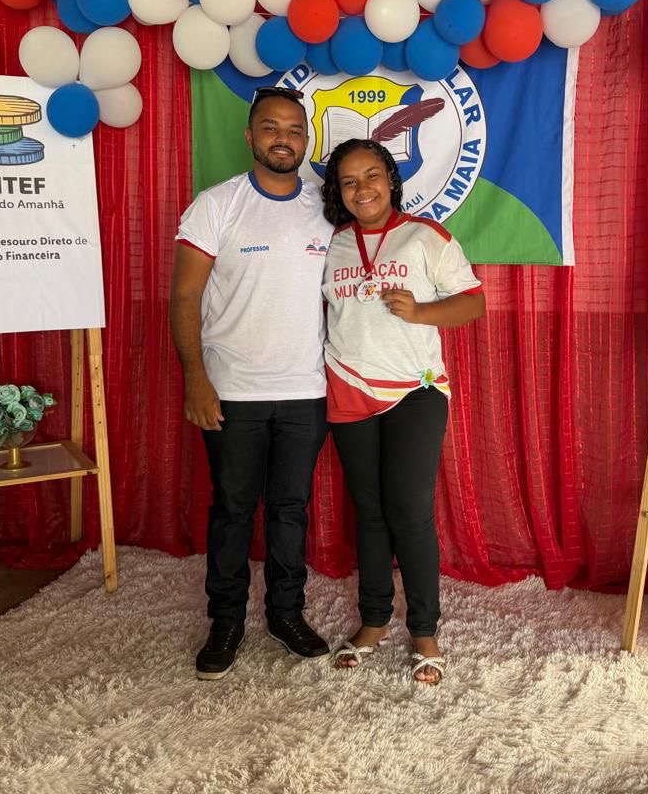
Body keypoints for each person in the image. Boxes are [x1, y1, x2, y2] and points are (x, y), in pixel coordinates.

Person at [170, 86, 335, 680]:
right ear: (250, 136)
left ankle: (287, 615)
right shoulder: (217, 205)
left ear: (306, 139)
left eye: (294, 129)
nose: (283, 138)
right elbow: (185, 296)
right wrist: (196, 379)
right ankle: (226, 621)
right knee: (234, 510)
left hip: (305, 390)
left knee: (290, 509)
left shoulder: (326, 207)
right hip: (232, 390)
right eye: (270, 127)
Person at [319, 138, 485, 684]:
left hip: (416, 389)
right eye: (348, 181)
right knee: (369, 513)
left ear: (390, 179)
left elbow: (474, 303)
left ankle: (424, 629)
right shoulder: (331, 243)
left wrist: (421, 311)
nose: (362, 188)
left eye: (371, 175)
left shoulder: (424, 236)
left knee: (409, 512)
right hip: (348, 386)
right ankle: (373, 620)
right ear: (338, 192)